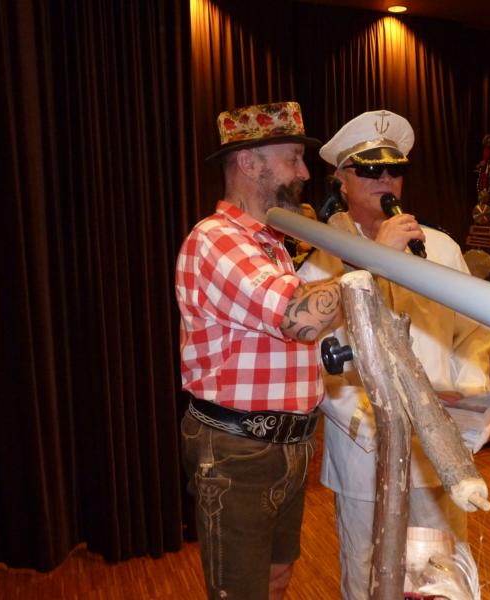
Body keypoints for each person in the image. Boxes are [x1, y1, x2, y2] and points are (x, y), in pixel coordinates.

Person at [299, 109, 490, 599]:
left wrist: (469, 398)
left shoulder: (440, 248)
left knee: (441, 574)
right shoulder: (321, 263)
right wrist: (370, 422)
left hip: (436, 452)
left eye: (395, 169)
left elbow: (473, 333)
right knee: (369, 573)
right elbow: (313, 358)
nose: (385, 179)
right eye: (370, 169)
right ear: (341, 180)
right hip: (365, 452)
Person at [175, 101, 342, 600]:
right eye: (293, 159)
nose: (304, 173)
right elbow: (300, 319)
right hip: (239, 453)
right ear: (249, 163)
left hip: (286, 445)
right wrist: (377, 264)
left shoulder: (267, 241)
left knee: (277, 576)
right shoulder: (216, 239)